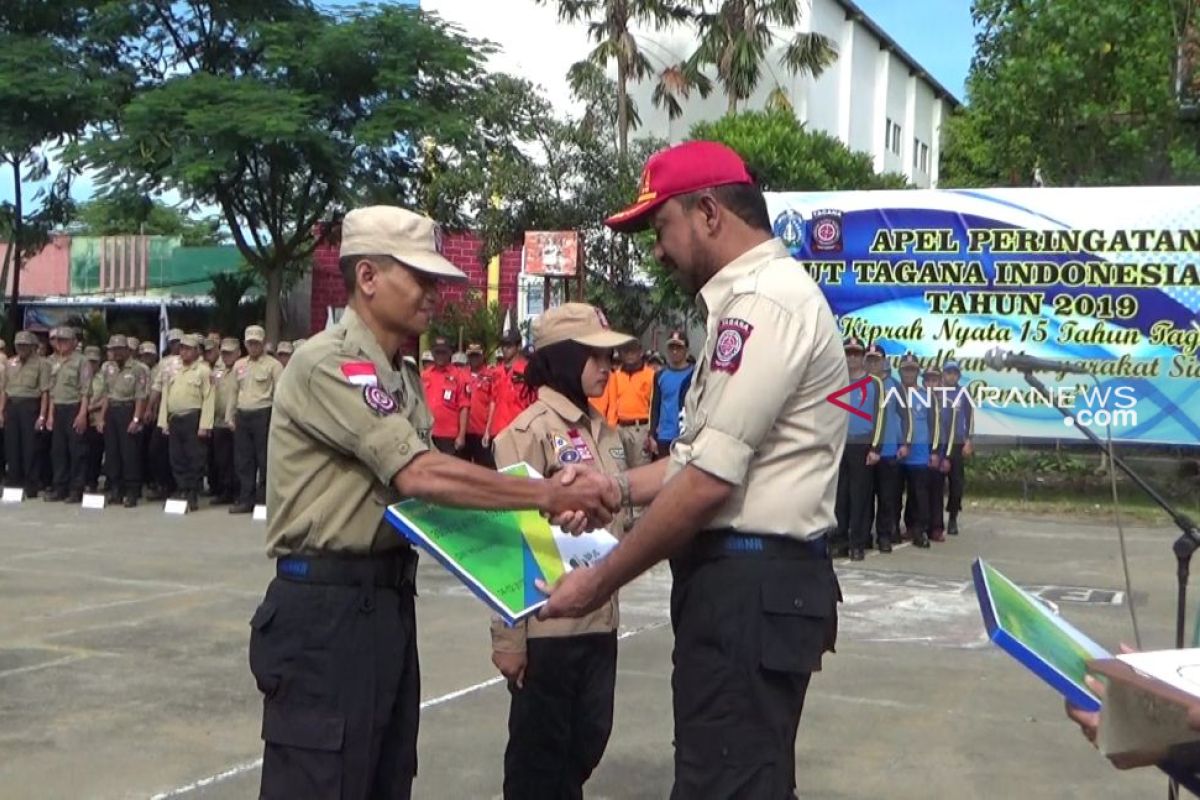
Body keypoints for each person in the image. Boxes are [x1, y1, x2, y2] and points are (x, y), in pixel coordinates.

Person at [248, 205, 618, 799]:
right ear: (367, 277)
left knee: (385, 775)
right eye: (419, 278)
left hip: (387, 601)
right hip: (326, 609)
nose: (433, 293)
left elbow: (438, 502)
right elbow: (420, 475)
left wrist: (534, 560)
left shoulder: (402, 372)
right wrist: (549, 493)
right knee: (321, 779)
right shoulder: (332, 362)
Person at [539, 140, 847, 799]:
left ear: (708, 212)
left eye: (661, 228)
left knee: (725, 785)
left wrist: (599, 581)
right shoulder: (748, 304)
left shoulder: (765, 304)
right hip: (744, 590)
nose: (657, 250)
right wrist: (613, 488)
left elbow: (707, 484)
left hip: (750, 588)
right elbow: (690, 459)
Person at [491, 303, 633, 799]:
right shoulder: (525, 434)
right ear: (564, 358)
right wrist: (509, 637)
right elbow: (509, 535)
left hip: (601, 618)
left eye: (610, 356)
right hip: (548, 624)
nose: (607, 367)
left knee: (588, 740)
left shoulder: (607, 431)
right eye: (595, 356)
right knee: (538, 761)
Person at [833, 336, 886, 561]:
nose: (852, 358)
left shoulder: (874, 383)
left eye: (856, 353)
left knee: (860, 496)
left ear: (863, 357)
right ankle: (839, 540)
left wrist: (876, 447)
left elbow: (880, 416)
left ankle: (857, 542)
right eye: (848, 353)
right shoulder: (836, 381)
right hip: (840, 444)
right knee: (839, 496)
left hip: (862, 444)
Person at [229, 325, 283, 514]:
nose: (253, 347)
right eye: (250, 343)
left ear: (263, 343)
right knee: (244, 460)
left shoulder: (273, 365)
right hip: (243, 414)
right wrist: (230, 415)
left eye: (256, 343)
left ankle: (265, 499)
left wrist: (278, 420)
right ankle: (246, 499)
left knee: (265, 459)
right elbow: (233, 392)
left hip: (264, 413)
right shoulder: (239, 365)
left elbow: (279, 394)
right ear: (245, 344)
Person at [157, 334, 215, 510]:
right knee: (176, 457)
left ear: (197, 351)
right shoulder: (173, 369)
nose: (184, 352)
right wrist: (163, 421)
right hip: (175, 417)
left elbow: (209, 398)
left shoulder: (204, 370)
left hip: (193, 416)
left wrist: (205, 425)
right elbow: (166, 394)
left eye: (189, 349)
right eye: (182, 348)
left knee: (194, 457)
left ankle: (192, 493)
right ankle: (181, 489)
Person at [866, 344, 907, 553]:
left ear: (884, 361)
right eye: (870, 359)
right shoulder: (860, 384)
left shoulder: (895, 386)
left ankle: (884, 535)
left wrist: (905, 444)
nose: (873, 363)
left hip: (889, 450)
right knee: (863, 497)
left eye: (877, 359)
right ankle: (864, 535)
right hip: (864, 450)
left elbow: (905, 416)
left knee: (886, 497)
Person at [101, 335, 151, 507]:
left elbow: (141, 396)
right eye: (112, 349)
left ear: (126, 350)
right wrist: (101, 417)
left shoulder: (138, 368)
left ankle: (132, 491)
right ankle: (116, 488)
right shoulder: (108, 368)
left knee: (129, 453)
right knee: (112, 452)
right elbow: (107, 394)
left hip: (128, 409)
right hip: (112, 410)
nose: (114, 353)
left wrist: (136, 419)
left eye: (117, 349)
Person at [45, 327, 92, 503]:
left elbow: (86, 391)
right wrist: (50, 415)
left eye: (64, 340)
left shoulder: (82, 361)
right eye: (58, 340)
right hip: (57, 408)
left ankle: (76, 488)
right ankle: (60, 487)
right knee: (58, 451)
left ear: (74, 342)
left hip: (74, 407)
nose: (60, 343)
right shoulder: (54, 361)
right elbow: (52, 392)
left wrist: (82, 414)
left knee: (77, 451)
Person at [592, 339, 655, 469]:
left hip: (640, 429)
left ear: (640, 352)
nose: (629, 355)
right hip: (618, 429)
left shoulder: (651, 375)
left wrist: (651, 432)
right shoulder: (615, 375)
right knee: (618, 467)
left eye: (633, 351)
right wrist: (611, 428)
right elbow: (612, 403)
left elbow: (654, 406)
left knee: (640, 470)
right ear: (620, 354)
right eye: (625, 351)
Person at [3, 330, 52, 497]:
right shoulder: (10, 363)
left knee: (30, 447)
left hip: (30, 406)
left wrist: (42, 416)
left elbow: (45, 391)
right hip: (12, 406)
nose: (21, 348)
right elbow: (4, 390)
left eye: (25, 345)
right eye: (18, 345)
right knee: (12, 446)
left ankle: (31, 484)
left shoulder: (42, 364)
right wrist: (1, 411)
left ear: (32, 347)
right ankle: (13, 482)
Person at [895, 354, 935, 549]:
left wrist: (934, 452)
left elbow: (934, 426)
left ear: (918, 372)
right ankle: (893, 529)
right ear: (900, 371)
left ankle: (919, 530)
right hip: (895, 453)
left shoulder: (927, 396)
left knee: (919, 495)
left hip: (919, 455)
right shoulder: (892, 393)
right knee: (893, 496)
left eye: (912, 369)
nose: (909, 373)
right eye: (905, 369)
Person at [647, 329, 694, 461]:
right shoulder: (660, 376)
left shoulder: (695, 375)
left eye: (679, 347)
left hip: (685, 437)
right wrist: (652, 435)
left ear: (686, 350)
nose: (675, 351)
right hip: (664, 436)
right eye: (671, 347)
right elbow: (655, 406)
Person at [941, 360, 973, 536]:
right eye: (948, 372)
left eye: (954, 373)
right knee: (936, 483)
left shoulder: (963, 394)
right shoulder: (937, 392)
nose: (951, 376)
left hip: (957, 444)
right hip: (939, 443)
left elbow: (970, 419)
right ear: (943, 374)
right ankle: (934, 520)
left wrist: (968, 440)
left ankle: (952, 518)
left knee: (956, 484)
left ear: (958, 376)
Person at [421, 336, 467, 455]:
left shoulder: (459, 375)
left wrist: (461, 435)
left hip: (449, 436)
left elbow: (464, 407)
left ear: (450, 353)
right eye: (437, 352)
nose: (440, 355)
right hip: (428, 433)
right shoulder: (424, 375)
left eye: (444, 352)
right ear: (432, 353)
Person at [209, 338, 240, 504]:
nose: (227, 356)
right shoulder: (217, 370)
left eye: (230, 353)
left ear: (238, 353)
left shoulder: (242, 368)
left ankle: (238, 492)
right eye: (224, 353)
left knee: (238, 459)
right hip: (219, 420)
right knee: (222, 459)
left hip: (236, 420)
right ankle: (225, 491)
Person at [923, 365, 948, 542]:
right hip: (920, 452)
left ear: (940, 382)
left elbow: (951, 431)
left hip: (939, 451)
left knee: (936, 492)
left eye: (935, 380)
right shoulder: (917, 399)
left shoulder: (947, 403)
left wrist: (945, 455)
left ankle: (936, 527)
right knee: (919, 492)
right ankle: (917, 525)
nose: (931, 383)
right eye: (928, 380)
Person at [462, 342, 497, 467]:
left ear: (482, 356)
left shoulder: (491, 375)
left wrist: (488, 430)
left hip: (481, 432)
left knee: (484, 469)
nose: (474, 359)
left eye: (477, 355)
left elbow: (493, 403)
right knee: (464, 470)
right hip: (464, 432)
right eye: (471, 356)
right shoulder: (462, 374)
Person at [491, 331, 532, 437]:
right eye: (503, 345)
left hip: (518, 431)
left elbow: (532, 404)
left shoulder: (527, 371)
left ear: (518, 347)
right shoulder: (496, 372)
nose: (505, 349)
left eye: (509, 346)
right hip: (498, 430)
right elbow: (493, 401)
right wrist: (488, 430)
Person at [84, 346, 106, 494]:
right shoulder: (79, 375)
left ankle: (92, 482)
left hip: (97, 418)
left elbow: (107, 396)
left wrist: (92, 407)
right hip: (80, 417)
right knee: (80, 453)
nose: (92, 365)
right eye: (89, 361)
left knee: (95, 453)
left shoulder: (104, 377)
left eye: (94, 361)